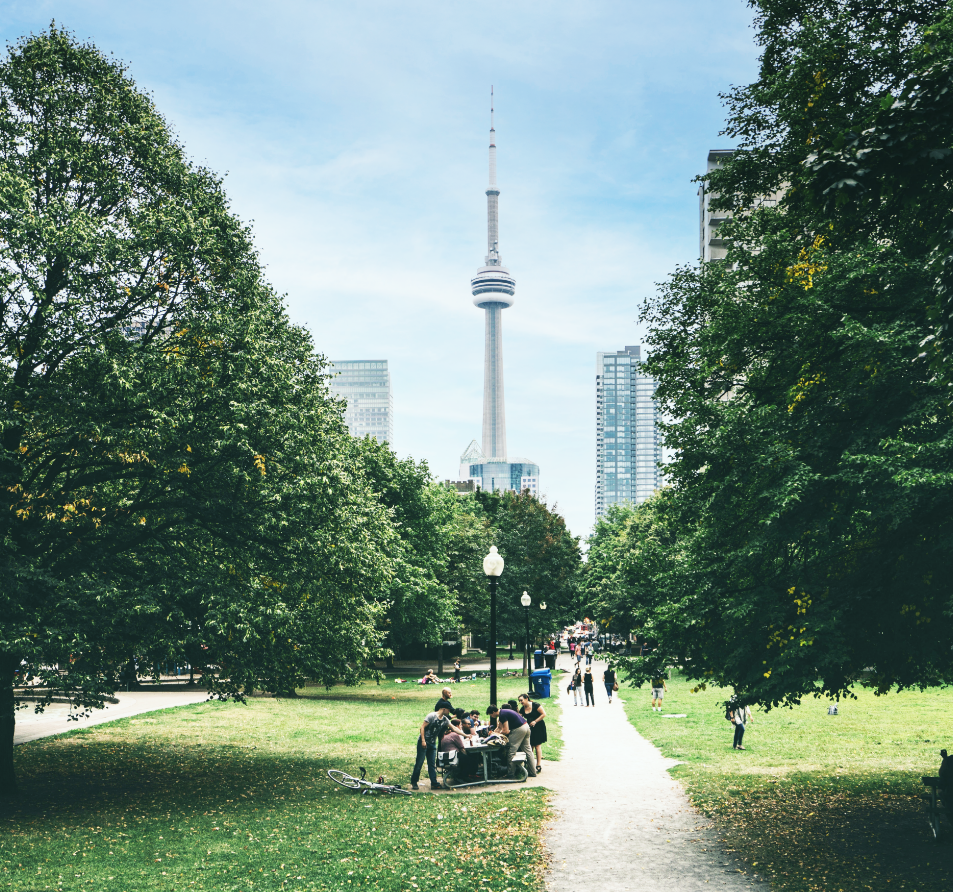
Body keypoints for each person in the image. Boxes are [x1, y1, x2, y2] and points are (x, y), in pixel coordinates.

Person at [411, 698, 453, 790]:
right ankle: (414, 781)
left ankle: (434, 783)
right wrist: (423, 740)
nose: (449, 712)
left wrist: (466, 735)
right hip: (423, 742)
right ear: (444, 709)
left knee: (432, 764)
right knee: (419, 763)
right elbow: (422, 727)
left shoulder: (445, 719)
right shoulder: (431, 716)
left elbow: (454, 728)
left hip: (432, 744)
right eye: (449, 710)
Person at [486, 704, 537, 777]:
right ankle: (533, 772)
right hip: (526, 727)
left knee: (511, 751)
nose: (491, 716)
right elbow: (499, 727)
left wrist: (497, 735)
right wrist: (493, 733)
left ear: (493, 712)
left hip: (519, 729)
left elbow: (506, 731)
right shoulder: (503, 712)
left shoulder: (502, 715)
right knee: (528, 750)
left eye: (491, 714)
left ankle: (510, 774)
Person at [518, 692, 547, 773]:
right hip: (530, 728)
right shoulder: (522, 708)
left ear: (526, 698)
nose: (521, 702)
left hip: (538, 726)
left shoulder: (535, 705)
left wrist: (535, 721)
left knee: (537, 745)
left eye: (521, 700)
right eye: (519, 701)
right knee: (530, 746)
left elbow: (543, 714)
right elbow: (520, 717)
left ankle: (538, 764)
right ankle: (531, 764)